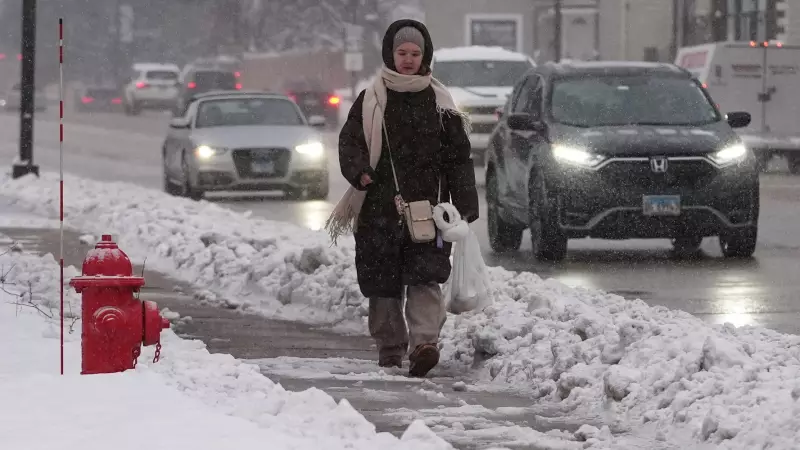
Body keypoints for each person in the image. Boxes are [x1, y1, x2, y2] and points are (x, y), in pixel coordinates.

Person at [325, 19, 479, 377]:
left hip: (428, 209)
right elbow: (350, 142)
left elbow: (458, 157)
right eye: (402, 52)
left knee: (425, 277)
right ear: (390, 54)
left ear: (425, 56)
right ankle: (390, 348)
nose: (408, 59)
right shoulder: (371, 100)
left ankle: (424, 345)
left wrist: (465, 204)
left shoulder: (440, 103)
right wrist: (360, 171)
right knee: (383, 284)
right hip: (379, 207)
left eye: (415, 53)